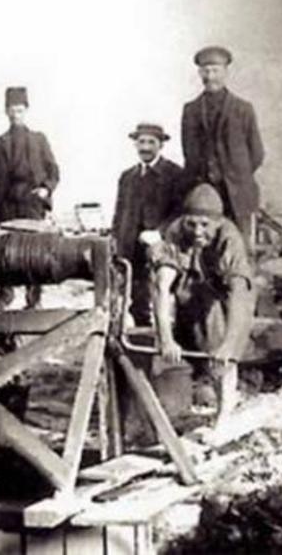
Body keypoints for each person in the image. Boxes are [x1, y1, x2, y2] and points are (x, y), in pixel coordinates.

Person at [151, 183, 256, 430]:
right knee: (186, 334)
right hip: (191, 286)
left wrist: (228, 346)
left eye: (205, 225)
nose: (197, 231)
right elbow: (161, 288)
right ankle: (200, 384)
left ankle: (225, 410)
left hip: (223, 291)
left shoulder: (230, 239)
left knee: (216, 336)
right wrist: (165, 339)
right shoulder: (176, 232)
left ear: (217, 223)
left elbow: (239, 294)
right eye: (192, 223)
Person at [0, 86, 60, 309]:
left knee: (34, 251)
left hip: (32, 204)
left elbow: (53, 171)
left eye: (20, 110)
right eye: (12, 110)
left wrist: (46, 189)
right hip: (7, 204)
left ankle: (34, 298)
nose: (16, 114)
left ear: (26, 111)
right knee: (5, 250)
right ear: (6, 112)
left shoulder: (39, 139)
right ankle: (5, 294)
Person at [181, 46, 264, 241]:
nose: (210, 76)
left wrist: (236, 174)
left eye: (215, 70)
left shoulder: (243, 109)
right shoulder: (190, 110)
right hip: (203, 191)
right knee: (205, 244)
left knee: (239, 247)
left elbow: (257, 153)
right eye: (205, 71)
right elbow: (189, 152)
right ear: (200, 73)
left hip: (237, 193)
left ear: (226, 72)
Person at [112, 122, 188, 326]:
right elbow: (119, 214)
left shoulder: (175, 174)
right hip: (131, 248)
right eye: (141, 142)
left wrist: (160, 232)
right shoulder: (127, 177)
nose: (145, 147)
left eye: (151, 142)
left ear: (161, 145)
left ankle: (172, 339)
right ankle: (141, 337)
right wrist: (116, 242)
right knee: (137, 298)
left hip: (162, 246)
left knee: (166, 291)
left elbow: (180, 211)